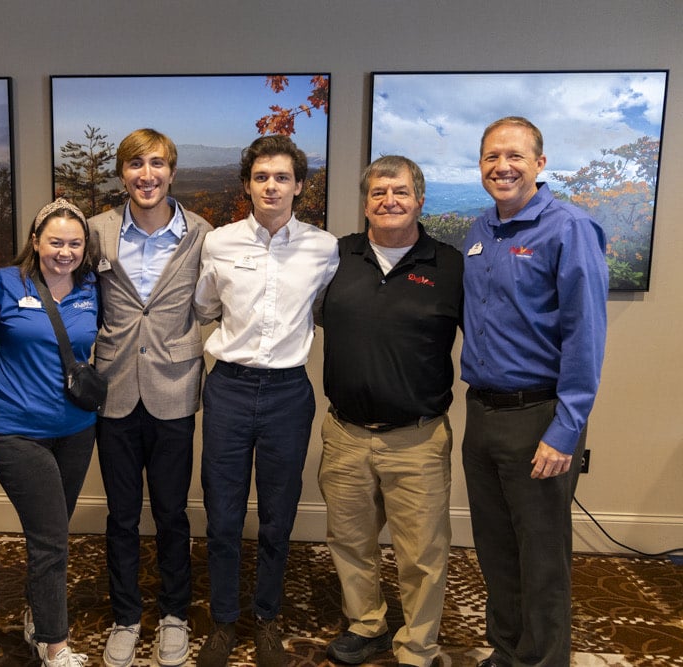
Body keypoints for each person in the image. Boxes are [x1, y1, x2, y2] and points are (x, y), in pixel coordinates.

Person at [461, 117, 608, 667]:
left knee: (542, 559)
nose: (503, 167)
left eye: (515, 156)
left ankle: (545, 660)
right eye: (491, 157)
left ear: (540, 164)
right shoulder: (478, 232)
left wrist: (565, 430)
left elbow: (585, 336)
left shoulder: (569, 228)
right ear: (480, 165)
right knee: (496, 552)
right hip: (482, 414)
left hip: (540, 417)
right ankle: (506, 654)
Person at [194, 134, 339, 667]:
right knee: (224, 515)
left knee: (278, 516)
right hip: (229, 388)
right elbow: (206, 306)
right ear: (247, 185)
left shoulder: (324, 249)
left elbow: (326, 309)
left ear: (299, 185)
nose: (271, 186)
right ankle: (225, 622)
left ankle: (268, 619)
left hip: (287, 393)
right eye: (261, 177)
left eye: (282, 177)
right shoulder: (221, 243)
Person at [316, 156, 463, 667]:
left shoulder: (449, 265)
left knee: (421, 553)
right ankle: (367, 625)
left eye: (399, 191)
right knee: (349, 540)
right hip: (345, 433)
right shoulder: (337, 257)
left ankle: (418, 646)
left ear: (419, 199)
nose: (389, 201)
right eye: (378, 192)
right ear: (366, 203)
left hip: (417, 438)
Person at [88, 128, 212, 667]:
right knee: (119, 515)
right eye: (135, 164)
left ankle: (173, 615)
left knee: (171, 512)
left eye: (157, 163)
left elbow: (216, 305)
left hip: (174, 390)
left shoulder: (203, 234)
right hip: (113, 389)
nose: (146, 174)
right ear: (122, 174)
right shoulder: (95, 232)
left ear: (172, 172)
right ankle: (124, 616)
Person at [0, 198, 100, 667]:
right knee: (52, 538)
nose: (65, 252)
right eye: (55, 241)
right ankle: (55, 645)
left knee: (49, 532)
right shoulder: (6, 284)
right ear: (35, 241)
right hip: (16, 429)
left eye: (75, 243)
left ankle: (38, 611)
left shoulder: (92, 286)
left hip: (76, 429)